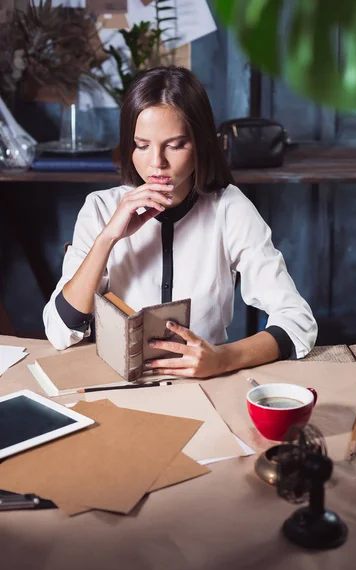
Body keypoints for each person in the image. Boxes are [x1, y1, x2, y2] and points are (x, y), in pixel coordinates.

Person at [43, 66, 317, 378]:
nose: (156, 162)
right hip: (115, 384)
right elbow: (60, 330)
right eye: (142, 145)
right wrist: (108, 238)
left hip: (207, 387)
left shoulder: (229, 209)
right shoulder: (101, 208)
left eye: (175, 145)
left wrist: (222, 358)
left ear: (200, 144)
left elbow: (298, 321)